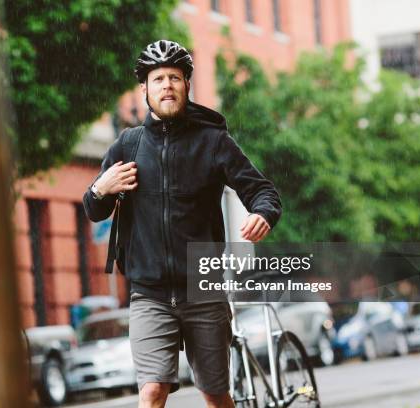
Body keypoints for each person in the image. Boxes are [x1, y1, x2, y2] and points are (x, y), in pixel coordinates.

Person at [83, 40, 282, 408]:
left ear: (187, 85)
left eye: (175, 77)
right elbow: (93, 211)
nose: (167, 85)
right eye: (158, 79)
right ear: (144, 88)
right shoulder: (127, 146)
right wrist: (100, 189)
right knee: (152, 391)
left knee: (216, 395)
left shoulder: (213, 142)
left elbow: (262, 191)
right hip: (149, 293)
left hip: (201, 288)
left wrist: (262, 213)